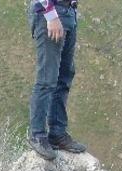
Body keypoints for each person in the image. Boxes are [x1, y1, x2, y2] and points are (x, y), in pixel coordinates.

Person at [28, 0, 88, 161]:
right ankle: (37, 134)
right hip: (51, 14)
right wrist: (51, 15)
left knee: (64, 76)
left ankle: (57, 133)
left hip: (69, 12)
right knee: (47, 79)